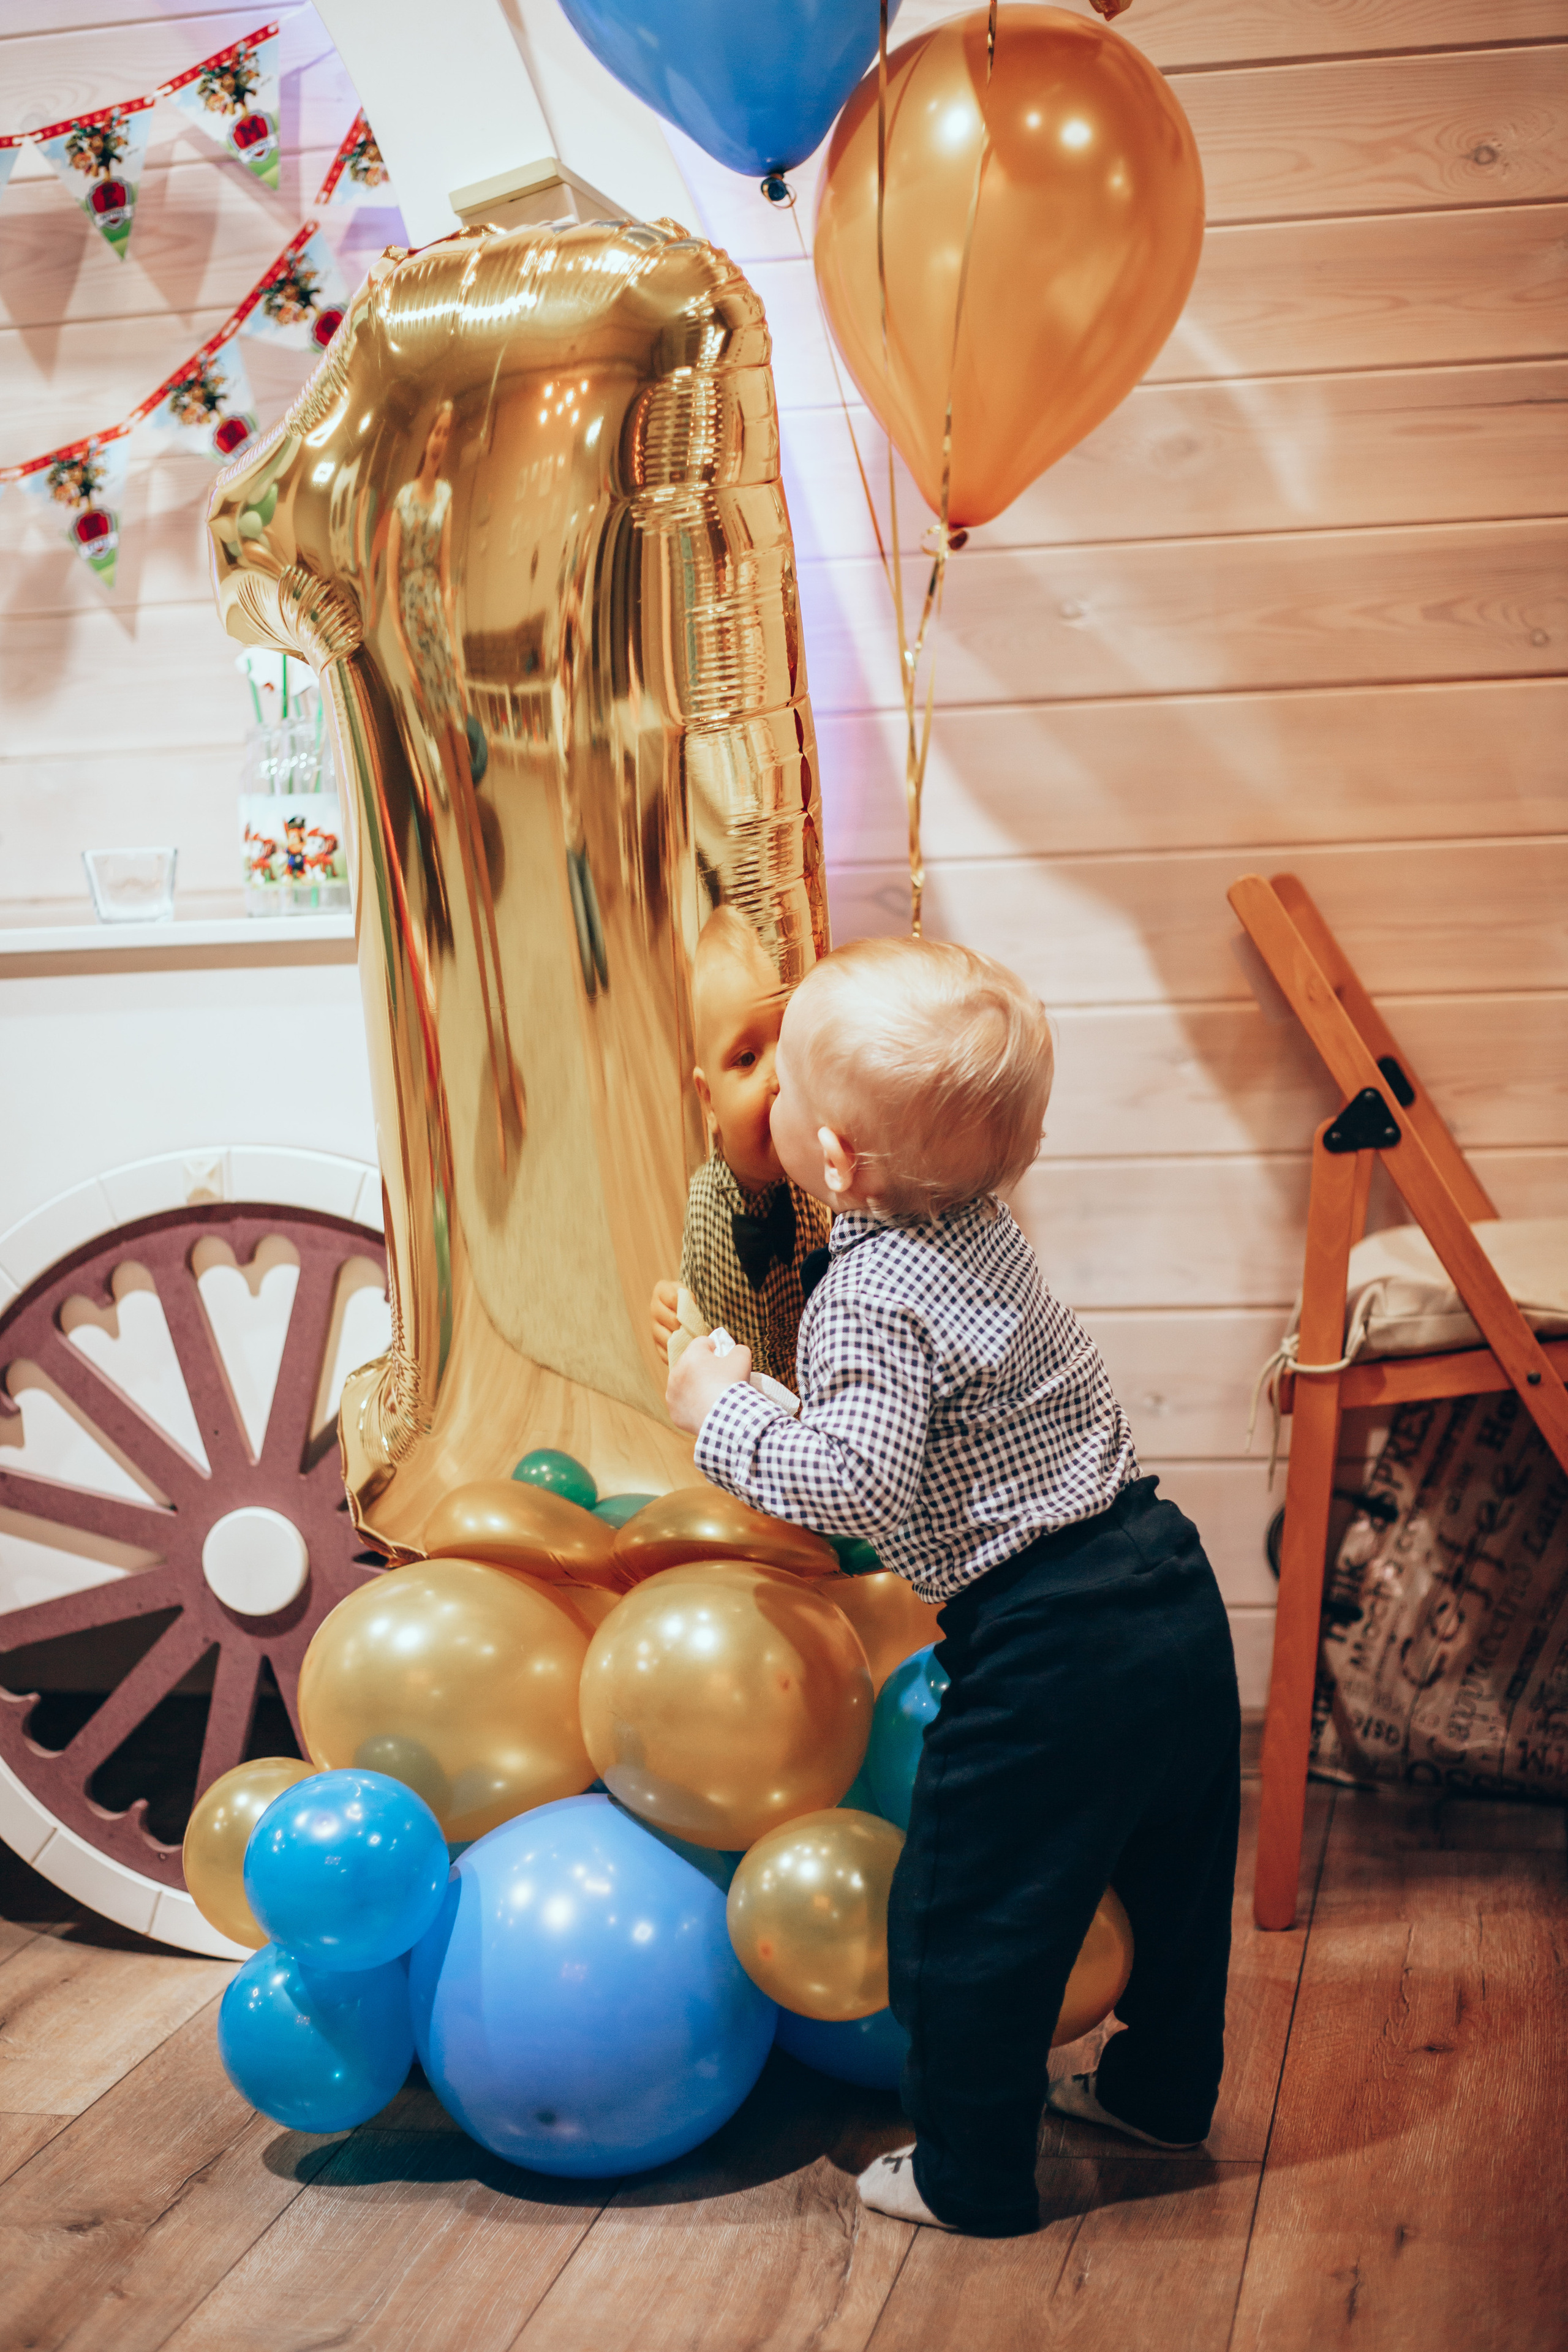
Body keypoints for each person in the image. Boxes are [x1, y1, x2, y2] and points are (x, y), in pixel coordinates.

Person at [666, 936, 1240, 2239]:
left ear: (837, 1163)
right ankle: (1160, 2090)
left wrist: (720, 1413)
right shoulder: (978, 1227)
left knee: (961, 1917)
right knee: (1174, 1882)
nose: (774, 1107)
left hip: (1048, 1645)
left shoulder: (864, 1291)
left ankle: (970, 2175)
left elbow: (860, 1485)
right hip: (1162, 1583)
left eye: (791, 1090)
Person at [651, 907, 831, 1385]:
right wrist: (674, 1316)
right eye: (747, 1058)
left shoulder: (823, 1176)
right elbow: (694, 1317)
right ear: (708, 1098)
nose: (778, 1078)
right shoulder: (704, 1206)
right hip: (749, 1415)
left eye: (789, 1045)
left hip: (827, 1404)